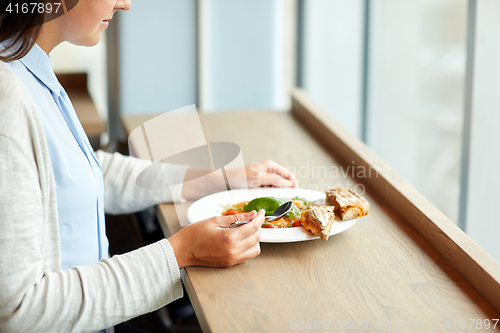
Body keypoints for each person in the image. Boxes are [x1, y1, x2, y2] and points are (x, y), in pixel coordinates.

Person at [0, 1, 298, 332]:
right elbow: (19, 310)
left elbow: (75, 173)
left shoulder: (26, 66)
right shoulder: (7, 99)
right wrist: (183, 252)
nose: (125, 4)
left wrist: (216, 180)